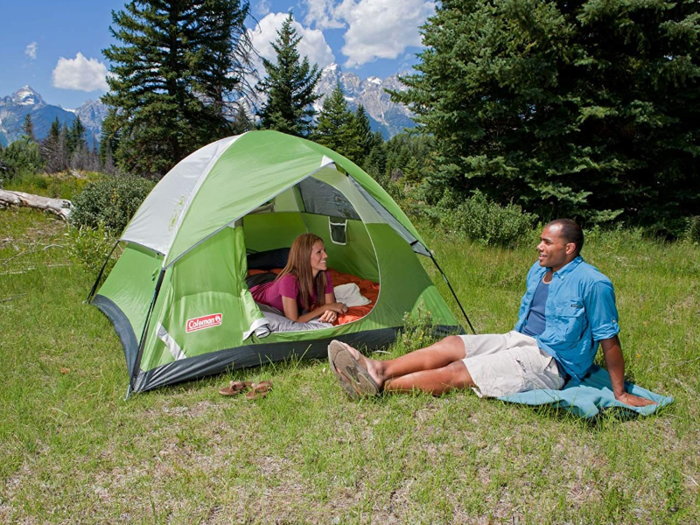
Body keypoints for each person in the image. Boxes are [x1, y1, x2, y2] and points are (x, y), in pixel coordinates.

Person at [328, 219, 655, 407]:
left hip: (551, 363)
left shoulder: (593, 283)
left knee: (460, 370)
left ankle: (378, 387)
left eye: (546, 242)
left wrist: (620, 391)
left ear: (568, 248)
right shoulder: (537, 271)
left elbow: (609, 340)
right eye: (540, 241)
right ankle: (378, 367)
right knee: (453, 343)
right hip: (519, 340)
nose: (539, 247)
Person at [250, 233, 348, 324]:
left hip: (274, 283)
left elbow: (331, 305)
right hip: (256, 289)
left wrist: (331, 311)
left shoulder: (324, 275)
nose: (326, 256)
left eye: (324, 251)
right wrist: (325, 307)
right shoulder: (289, 280)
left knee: (276, 278)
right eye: (319, 252)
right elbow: (293, 321)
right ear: (305, 257)